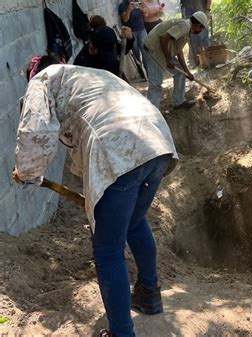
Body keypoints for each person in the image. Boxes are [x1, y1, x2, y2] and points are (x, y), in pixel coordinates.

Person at [13, 57, 179, 337]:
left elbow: (35, 129)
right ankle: (149, 293)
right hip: (157, 142)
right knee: (135, 223)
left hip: (119, 148)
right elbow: (78, 139)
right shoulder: (90, 76)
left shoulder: (41, 80)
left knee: (108, 251)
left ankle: (122, 333)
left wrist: (27, 171)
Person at [143, 11, 209, 110]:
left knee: (180, 73)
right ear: (197, 25)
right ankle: (153, 113)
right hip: (153, 49)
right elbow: (163, 38)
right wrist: (168, 59)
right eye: (202, 28)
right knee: (156, 84)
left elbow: (178, 51)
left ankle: (178, 102)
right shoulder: (185, 26)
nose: (201, 30)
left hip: (161, 49)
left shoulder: (187, 29)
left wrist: (186, 71)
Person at [180, 0, 211, 67]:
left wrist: (208, 10)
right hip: (187, 12)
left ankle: (208, 60)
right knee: (192, 39)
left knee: (203, 37)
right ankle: (198, 62)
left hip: (200, 10)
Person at [119, 0, 148, 67]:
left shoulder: (140, 2)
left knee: (145, 51)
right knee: (136, 53)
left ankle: (148, 71)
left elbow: (146, 15)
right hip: (131, 33)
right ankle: (141, 71)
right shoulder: (123, 5)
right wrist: (129, 9)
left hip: (142, 30)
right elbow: (125, 20)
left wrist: (143, 9)